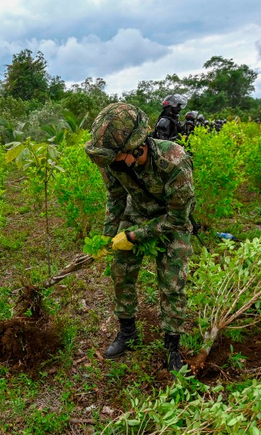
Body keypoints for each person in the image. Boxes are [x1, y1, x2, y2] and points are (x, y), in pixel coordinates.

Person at [84, 103, 195, 373]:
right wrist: (107, 238)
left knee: (172, 282)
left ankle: (172, 345)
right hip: (137, 213)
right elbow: (116, 197)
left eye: (116, 158)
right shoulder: (112, 160)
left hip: (171, 220)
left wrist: (133, 235)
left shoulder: (174, 160)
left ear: (136, 147)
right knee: (120, 272)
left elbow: (178, 218)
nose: (110, 165)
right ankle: (128, 332)